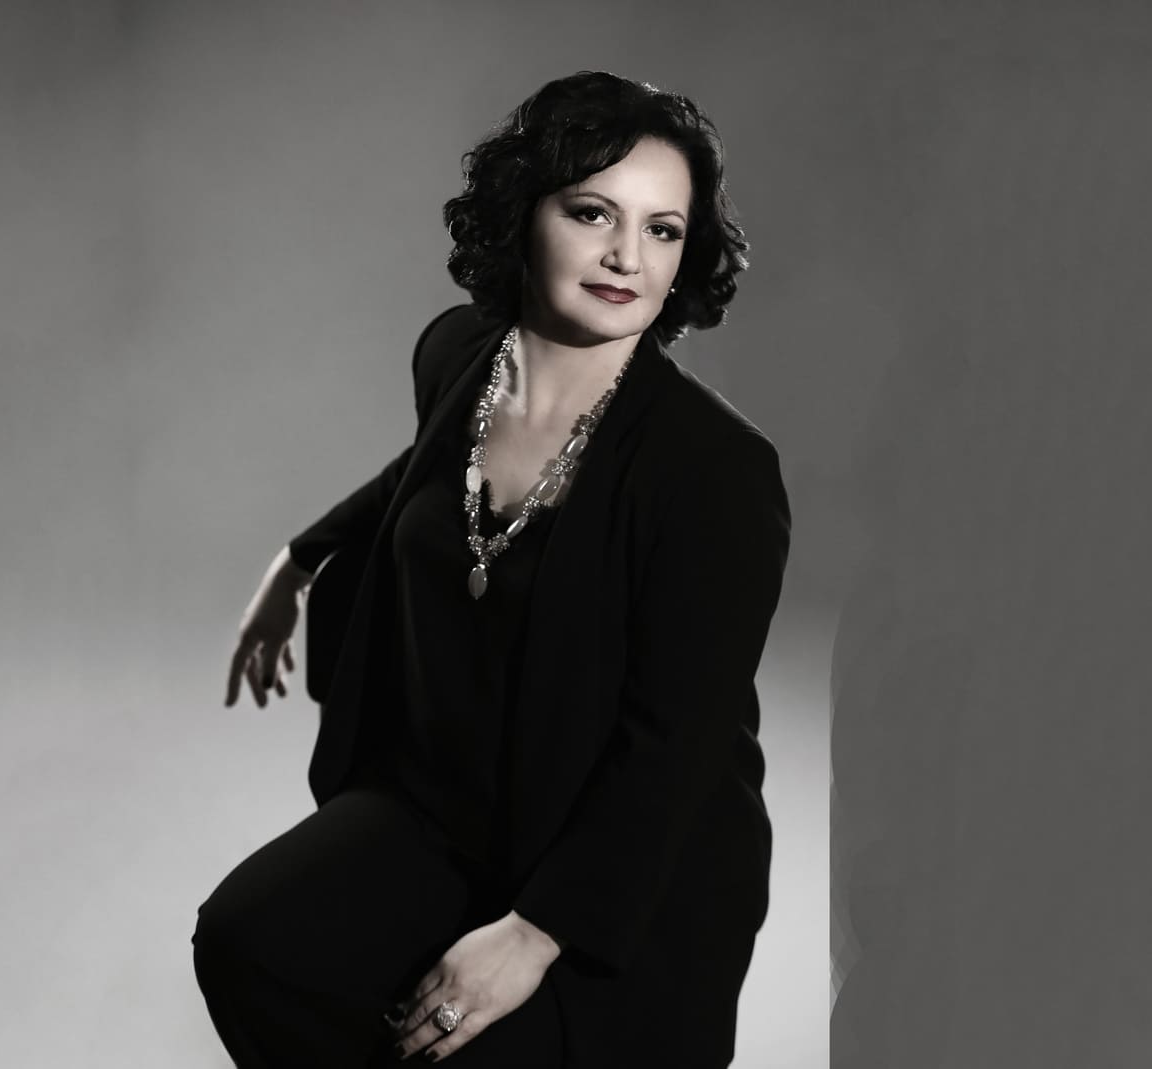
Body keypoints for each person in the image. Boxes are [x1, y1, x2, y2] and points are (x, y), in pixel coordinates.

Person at [195, 70, 790, 1068]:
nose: (625, 256)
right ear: (524, 213)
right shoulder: (459, 354)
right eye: (592, 213)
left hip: (630, 867)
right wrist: (298, 561)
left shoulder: (715, 471)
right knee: (248, 944)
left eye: (661, 230)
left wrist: (535, 933)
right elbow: (425, 474)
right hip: (452, 807)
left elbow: (673, 748)